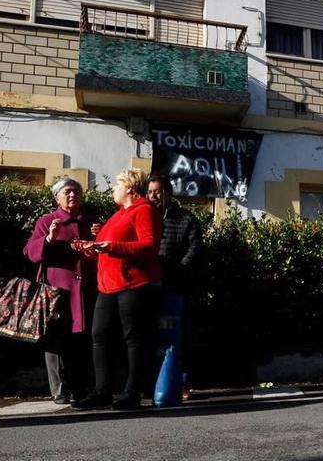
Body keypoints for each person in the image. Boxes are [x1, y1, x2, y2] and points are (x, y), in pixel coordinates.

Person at [73, 169, 162, 410]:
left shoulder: (144, 210)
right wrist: (90, 248)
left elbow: (149, 246)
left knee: (133, 338)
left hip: (133, 284)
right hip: (108, 285)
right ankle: (102, 391)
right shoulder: (118, 215)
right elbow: (107, 250)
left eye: (117, 186)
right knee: (99, 336)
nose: (113, 189)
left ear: (130, 189)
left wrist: (110, 246)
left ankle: (132, 391)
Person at [23, 177, 100, 404]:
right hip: (57, 290)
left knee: (81, 339)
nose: (73, 195)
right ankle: (59, 388)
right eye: (67, 191)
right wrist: (48, 238)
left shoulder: (93, 222)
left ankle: (81, 386)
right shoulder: (47, 221)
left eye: (76, 191)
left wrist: (102, 235)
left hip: (86, 289)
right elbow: (29, 251)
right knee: (55, 340)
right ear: (57, 197)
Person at [147, 175, 203, 400]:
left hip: (176, 285)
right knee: (151, 336)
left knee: (178, 336)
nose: (154, 196)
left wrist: (179, 270)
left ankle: (181, 383)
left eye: (158, 191)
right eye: (150, 192)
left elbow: (196, 247)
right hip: (148, 285)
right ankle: (151, 383)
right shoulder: (143, 216)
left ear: (169, 193)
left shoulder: (185, 218)